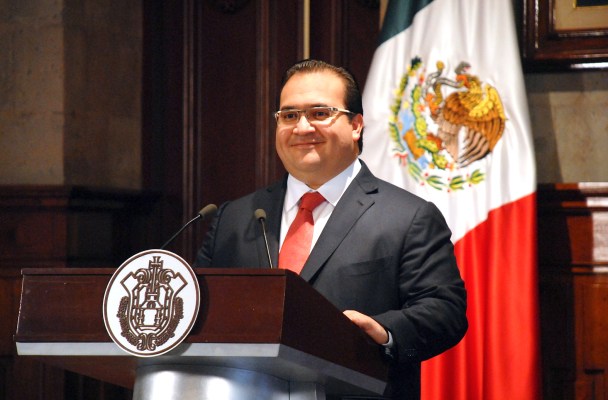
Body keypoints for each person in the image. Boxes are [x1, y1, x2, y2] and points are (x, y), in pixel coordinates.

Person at [195, 59, 467, 399]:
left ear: (356, 125)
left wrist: (383, 331)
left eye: (320, 113)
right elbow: (199, 307)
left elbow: (445, 313)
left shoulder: (409, 217)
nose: (302, 127)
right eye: (289, 115)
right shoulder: (234, 218)